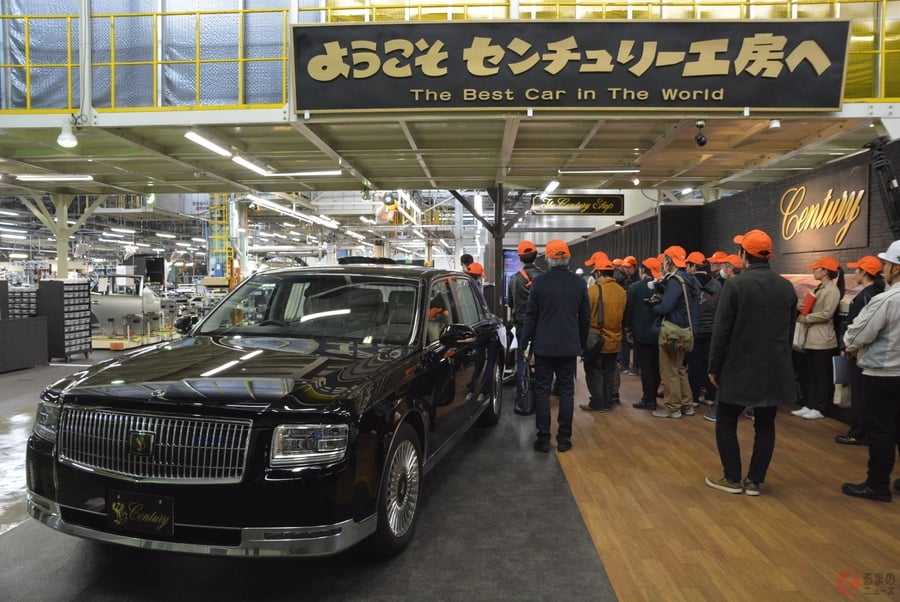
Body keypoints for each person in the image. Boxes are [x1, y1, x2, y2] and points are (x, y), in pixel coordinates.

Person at [704, 229, 798, 496]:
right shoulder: (785, 286)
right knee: (765, 424)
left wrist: (714, 366)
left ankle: (732, 478)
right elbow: (789, 331)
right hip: (774, 368)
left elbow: (721, 331)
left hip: (739, 366)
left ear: (744, 254)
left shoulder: (735, 285)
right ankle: (755, 481)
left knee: (726, 420)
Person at [841, 240, 900, 502]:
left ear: (896, 269)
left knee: (881, 432)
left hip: (884, 374)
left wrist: (851, 345)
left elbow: (857, 334)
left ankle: (877, 485)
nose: (884, 268)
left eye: (887, 264)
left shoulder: (886, 299)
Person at [521, 239, 590, 453]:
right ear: (567, 258)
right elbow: (585, 318)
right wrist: (581, 343)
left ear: (548, 259)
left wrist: (525, 343)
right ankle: (564, 439)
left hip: (544, 346)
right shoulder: (579, 284)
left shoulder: (539, 283)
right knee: (566, 392)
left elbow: (531, 317)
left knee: (542, 392)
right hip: (569, 345)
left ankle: (543, 439)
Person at [835, 255, 885, 446]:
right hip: (871, 354)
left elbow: (858, 327)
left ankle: (858, 433)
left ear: (864, 273)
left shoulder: (867, 296)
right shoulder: (876, 294)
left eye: (856, 269)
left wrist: (848, 346)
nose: (854, 272)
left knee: (860, 395)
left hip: (861, 353)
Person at [650, 245, 699, 419]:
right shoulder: (689, 279)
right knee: (680, 369)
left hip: (672, 331)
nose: (663, 263)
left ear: (669, 261)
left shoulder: (674, 281)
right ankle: (687, 405)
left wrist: (653, 306)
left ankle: (673, 407)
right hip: (686, 330)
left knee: (669, 370)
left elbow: (666, 307)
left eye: (664, 260)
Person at [791, 256, 841, 421]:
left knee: (821, 375)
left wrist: (805, 318)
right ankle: (809, 404)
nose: (813, 271)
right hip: (811, 339)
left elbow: (827, 314)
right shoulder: (820, 288)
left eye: (816, 268)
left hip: (823, 340)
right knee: (810, 374)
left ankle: (820, 407)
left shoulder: (832, 290)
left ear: (825, 271)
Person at [580, 251, 626, 413]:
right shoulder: (622, 292)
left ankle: (597, 402)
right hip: (615, 339)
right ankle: (607, 402)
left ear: (598, 273)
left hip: (596, 340)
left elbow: (584, 316)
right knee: (609, 371)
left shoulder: (592, 291)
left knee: (593, 371)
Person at [507, 240, 543, 414]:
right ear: (536, 256)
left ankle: (523, 397)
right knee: (542, 361)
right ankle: (540, 397)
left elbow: (510, 303)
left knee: (522, 360)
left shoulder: (514, 279)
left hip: (521, 326)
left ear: (520, 258)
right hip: (542, 326)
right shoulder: (544, 278)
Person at [624, 257, 662, 410]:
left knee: (646, 368)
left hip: (641, 332)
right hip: (660, 332)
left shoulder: (634, 288)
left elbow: (630, 311)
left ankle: (648, 399)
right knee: (657, 367)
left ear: (642, 271)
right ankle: (652, 395)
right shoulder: (664, 286)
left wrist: (628, 329)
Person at [685, 251, 721, 408]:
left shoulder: (689, 283)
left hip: (695, 329)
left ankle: (693, 397)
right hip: (713, 329)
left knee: (694, 364)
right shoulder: (717, 284)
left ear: (693, 266)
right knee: (709, 363)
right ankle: (711, 396)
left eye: (688, 265)